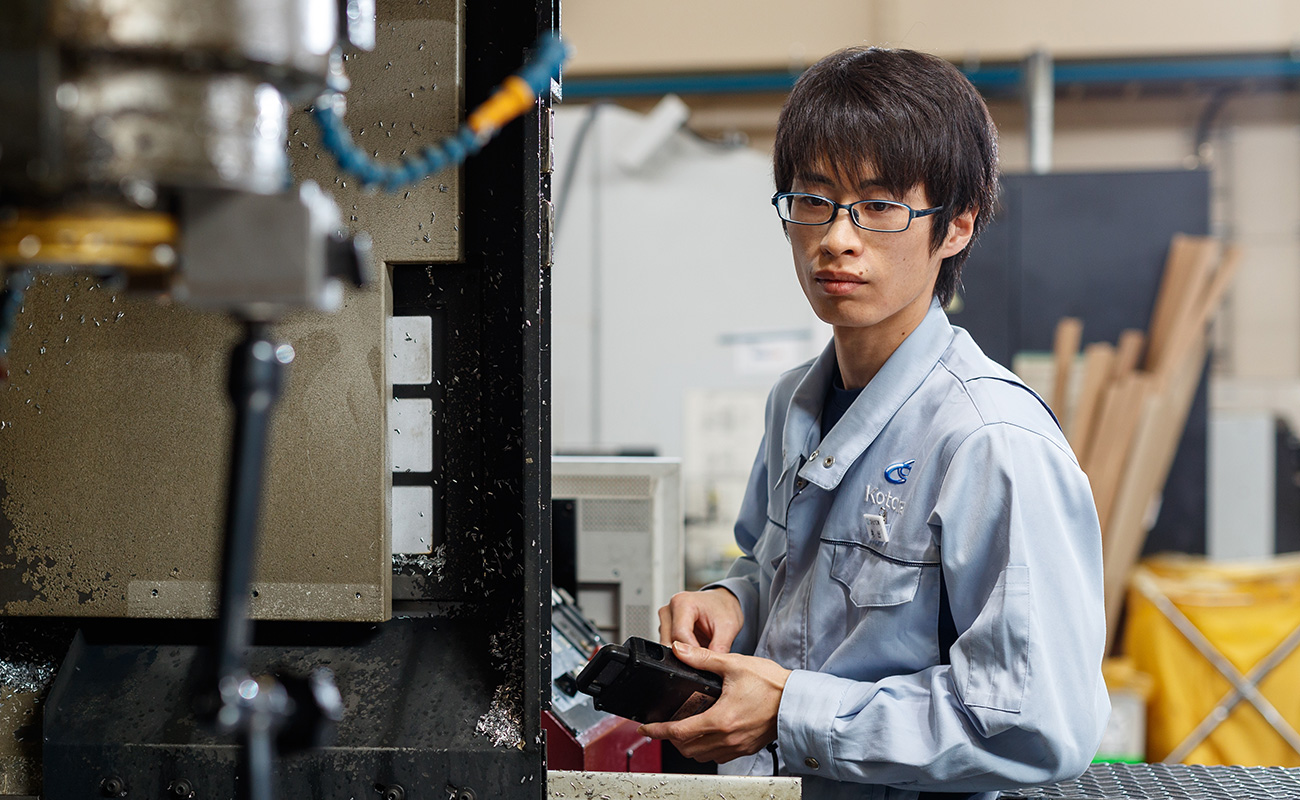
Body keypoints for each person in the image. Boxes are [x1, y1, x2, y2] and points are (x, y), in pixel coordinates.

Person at [638, 47, 1110, 800]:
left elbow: (1037, 723)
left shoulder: (989, 442)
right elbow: (785, 577)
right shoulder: (795, 402)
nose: (836, 238)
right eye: (814, 200)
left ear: (955, 227)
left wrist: (794, 712)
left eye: (881, 206)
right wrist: (733, 602)